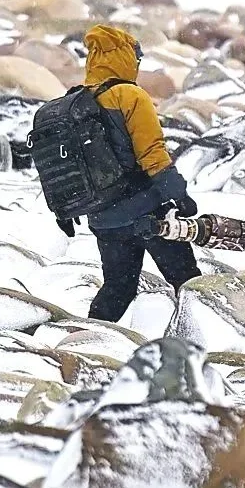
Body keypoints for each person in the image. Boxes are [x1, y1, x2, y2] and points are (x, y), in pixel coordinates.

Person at [74, 23, 201, 322]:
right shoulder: (129, 96)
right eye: (136, 58)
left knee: (119, 287)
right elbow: (153, 153)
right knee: (187, 281)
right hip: (147, 213)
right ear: (123, 57)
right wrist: (179, 196)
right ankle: (203, 339)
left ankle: (88, 339)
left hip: (104, 219)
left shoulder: (77, 101)